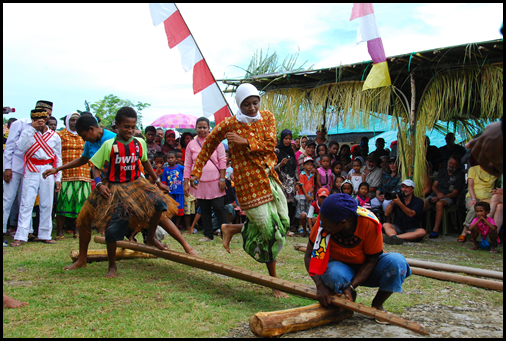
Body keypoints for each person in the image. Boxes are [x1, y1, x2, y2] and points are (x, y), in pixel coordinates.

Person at [45, 113, 196, 271]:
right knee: (85, 218)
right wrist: (57, 168)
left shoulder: (113, 140)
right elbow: (85, 160)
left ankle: (185, 246)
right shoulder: (92, 141)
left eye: (84, 136)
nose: (84, 140)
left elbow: (143, 161)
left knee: (158, 209)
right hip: (107, 185)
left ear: (91, 129)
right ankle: (82, 259)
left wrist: (157, 182)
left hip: (132, 181)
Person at [191, 83, 290, 298]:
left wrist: (245, 141)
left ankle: (232, 229)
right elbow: (207, 146)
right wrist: (195, 173)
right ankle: (274, 283)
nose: (252, 107)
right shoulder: (229, 124)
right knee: (269, 232)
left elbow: (270, 144)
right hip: (248, 185)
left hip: (269, 178)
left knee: (284, 224)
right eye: (246, 104)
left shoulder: (268, 117)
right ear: (239, 104)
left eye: (255, 102)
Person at [76, 107, 183, 278]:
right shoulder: (108, 145)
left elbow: (146, 163)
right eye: (126, 127)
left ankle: (150, 238)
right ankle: (112, 266)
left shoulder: (138, 143)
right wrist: (99, 185)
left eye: (132, 127)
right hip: (115, 188)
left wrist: (157, 182)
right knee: (111, 231)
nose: (130, 130)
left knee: (160, 204)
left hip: (137, 185)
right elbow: (95, 168)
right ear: (117, 125)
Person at [304, 193, 411, 313]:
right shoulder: (324, 219)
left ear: (343, 223)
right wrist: (320, 285)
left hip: (368, 267)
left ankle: (377, 304)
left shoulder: (369, 223)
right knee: (332, 274)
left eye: (326, 224)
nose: (322, 225)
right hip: (340, 267)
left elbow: (373, 260)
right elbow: (309, 255)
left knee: (397, 262)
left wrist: (351, 287)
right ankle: (345, 299)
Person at [11, 108, 62, 247]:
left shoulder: (54, 136)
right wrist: (31, 130)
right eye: (35, 120)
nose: (38, 122)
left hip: (48, 169)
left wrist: (58, 177)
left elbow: (58, 157)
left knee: (47, 203)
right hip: (31, 168)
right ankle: (21, 235)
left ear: (46, 119)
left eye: (40, 120)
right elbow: (20, 147)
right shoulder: (28, 133)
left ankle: (45, 234)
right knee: (26, 202)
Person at [3, 100, 52, 241]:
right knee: (8, 199)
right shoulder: (20, 123)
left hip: (32, 168)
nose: (45, 117)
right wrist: (7, 167)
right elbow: (10, 146)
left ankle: (27, 232)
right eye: (43, 113)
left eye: (48, 114)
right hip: (16, 167)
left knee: (25, 202)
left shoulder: (46, 129)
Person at [183, 117, 228, 242]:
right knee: (204, 209)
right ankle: (208, 235)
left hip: (216, 180)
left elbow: (222, 161)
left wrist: (223, 179)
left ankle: (226, 234)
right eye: (199, 127)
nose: (202, 130)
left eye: (204, 127)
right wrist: (186, 182)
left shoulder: (216, 141)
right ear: (195, 128)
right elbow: (187, 164)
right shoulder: (191, 144)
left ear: (209, 128)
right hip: (199, 183)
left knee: (219, 208)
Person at [54, 112, 91, 240]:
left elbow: (90, 153)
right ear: (67, 121)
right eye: (72, 120)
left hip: (83, 174)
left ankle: (77, 231)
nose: (74, 122)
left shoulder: (85, 135)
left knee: (81, 205)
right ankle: (59, 232)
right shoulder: (59, 135)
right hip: (65, 174)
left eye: (76, 120)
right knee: (62, 203)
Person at [423, 155, 465, 238]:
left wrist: (439, 197)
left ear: (458, 165)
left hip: (448, 197)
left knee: (439, 204)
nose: (451, 165)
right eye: (450, 163)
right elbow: (434, 186)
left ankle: (435, 230)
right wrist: (438, 194)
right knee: (423, 203)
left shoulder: (459, 176)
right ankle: (418, 227)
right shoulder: (442, 172)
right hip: (436, 194)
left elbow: (454, 193)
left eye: (454, 164)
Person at [457, 165, 497, 243]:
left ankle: (479, 234)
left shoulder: (494, 171)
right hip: (473, 196)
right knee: (473, 209)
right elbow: (470, 186)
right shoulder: (473, 169)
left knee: (487, 210)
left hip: (487, 197)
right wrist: (474, 198)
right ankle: (464, 232)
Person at [382, 180, 426, 244]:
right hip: (398, 227)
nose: (404, 189)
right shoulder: (399, 199)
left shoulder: (418, 201)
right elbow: (386, 214)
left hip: (412, 229)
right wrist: (392, 202)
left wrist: (399, 203)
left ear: (412, 190)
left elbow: (411, 214)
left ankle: (395, 238)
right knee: (386, 224)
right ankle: (393, 236)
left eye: (407, 187)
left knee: (422, 232)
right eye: (403, 187)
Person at [274, 129, 298, 229]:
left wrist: (297, 181)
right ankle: (279, 227)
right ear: (282, 139)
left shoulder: (292, 152)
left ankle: (287, 227)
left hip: (291, 183)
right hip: (281, 182)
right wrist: (281, 164)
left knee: (290, 205)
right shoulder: (277, 151)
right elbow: (271, 168)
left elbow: (295, 167)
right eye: (285, 138)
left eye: (289, 139)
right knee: (281, 204)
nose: (287, 141)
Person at [161, 150, 185, 229]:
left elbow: (188, 173)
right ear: (166, 159)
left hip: (179, 191)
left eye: (172, 158)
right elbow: (164, 181)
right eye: (168, 158)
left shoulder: (180, 168)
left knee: (179, 210)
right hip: (170, 192)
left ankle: (177, 226)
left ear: (176, 159)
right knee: (170, 210)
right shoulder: (165, 169)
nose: (170, 159)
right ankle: (170, 227)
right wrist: (164, 189)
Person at [296, 156, 315, 237]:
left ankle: (306, 227)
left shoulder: (311, 176)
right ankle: (301, 227)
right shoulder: (302, 175)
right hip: (303, 196)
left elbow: (312, 186)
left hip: (309, 196)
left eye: (311, 164)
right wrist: (307, 195)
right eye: (307, 164)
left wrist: (311, 193)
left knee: (308, 211)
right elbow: (302, 186)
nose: (309, 166)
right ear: (303, 166)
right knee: (302, 212)